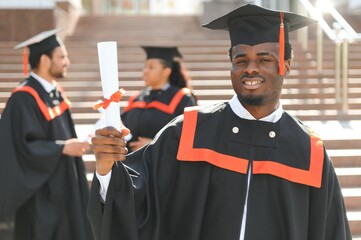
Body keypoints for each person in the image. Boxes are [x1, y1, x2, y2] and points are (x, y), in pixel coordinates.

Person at [88, 4, 351, 240]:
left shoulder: (307, 151)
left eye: (264, 59)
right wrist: (106, 168)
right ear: (231, 66)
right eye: (241, 60)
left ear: (286, 64)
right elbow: (132, 200)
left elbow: (331, 231)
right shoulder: (188, 132)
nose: (251, 69)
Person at [0, 29, 93, 240]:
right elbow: (19, 149)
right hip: (40, 196)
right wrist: (62, 148)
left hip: (64, 184)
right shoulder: (23, 98)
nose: (67, 61)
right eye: (62, 57)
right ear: (44, 59)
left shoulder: (54, 92)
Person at [120, 46, 197, 152]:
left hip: (163, 164)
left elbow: (190, 136)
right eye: (145, 66)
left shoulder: (182, 98)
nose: (145, 71)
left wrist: (154, 145)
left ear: (166, 71)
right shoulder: (136, 98)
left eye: (151, 67)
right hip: (132, 164)